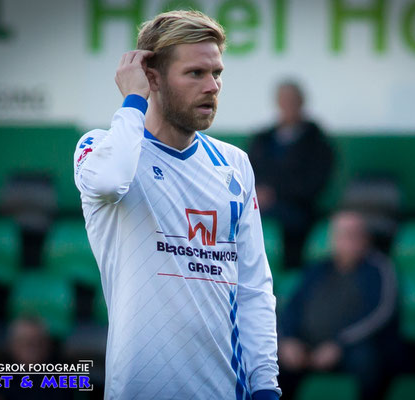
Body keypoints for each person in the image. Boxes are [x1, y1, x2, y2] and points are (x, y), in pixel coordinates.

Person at [73, 10, 280, 400]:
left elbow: (253, 288)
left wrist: (266, 384)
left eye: (217, 73)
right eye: (195, 74)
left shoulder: (234, 164)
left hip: (227, 391)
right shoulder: (101, 148)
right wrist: (134, 99)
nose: (213, 86)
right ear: (153, 77)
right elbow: (108, 180)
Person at [277, 211, 397, 400]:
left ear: (365, 238)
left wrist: (340, 344)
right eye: (339, 234)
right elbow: (292, 307)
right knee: (269, 360)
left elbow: (380, 314)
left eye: (351, 234)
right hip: (308, 345)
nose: (344, 241)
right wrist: (289, 340)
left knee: (366, 360)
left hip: (352, 346)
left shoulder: (379, 269)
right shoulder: (317, 269)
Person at [249, 81, 335, 269]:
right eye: (284, 100)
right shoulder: (262, 139)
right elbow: (248, 172)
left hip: (299, 214)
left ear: (302, 102)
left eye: (292, 100)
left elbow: (314, 185)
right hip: (259, 206)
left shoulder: (318, 143)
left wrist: (273, 194)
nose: (288, 105)